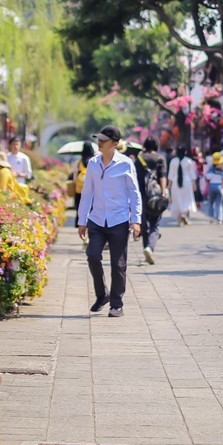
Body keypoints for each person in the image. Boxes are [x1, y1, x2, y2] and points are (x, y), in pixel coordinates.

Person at [77, 125, 142, 318]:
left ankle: (116, 304)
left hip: (119, 219)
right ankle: (102, 295)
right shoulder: (93, 163)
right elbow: (87, 192)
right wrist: (82, 220)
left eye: (104, 140)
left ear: (114, 144)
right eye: (99, 139)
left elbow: (134, 193)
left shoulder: (125, 164)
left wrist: (136, 220)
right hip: (97, 219)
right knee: (93, 255)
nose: (100, 142)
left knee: (118, 264)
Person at [135, 137, 168, 264]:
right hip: (155, 195)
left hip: (141, 195)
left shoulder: (139, 159)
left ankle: (146, 248)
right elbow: (163, 176)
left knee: (144, 225)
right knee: (155, 224)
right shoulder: (160, 159)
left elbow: (135, 177)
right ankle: (150, 247)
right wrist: (163, 192)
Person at [168, 146, 198, 226]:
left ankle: (179, 219)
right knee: (186, 200)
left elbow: (170, 175)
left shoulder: (173, 161)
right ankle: (184, 215)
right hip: (187, 183)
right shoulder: (189, 161)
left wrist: (169, 185)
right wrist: (194, 184)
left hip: (175, 183)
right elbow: (192, 174)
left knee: (177, 200)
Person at [205, 153, 223, 224]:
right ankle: (219, 218)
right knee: (219, 203)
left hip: (212, 186)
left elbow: (207, 177)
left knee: (211, 202)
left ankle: (211, 218)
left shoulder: (211, 169)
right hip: (220, 186)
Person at [73, 141, 95, 211]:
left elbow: (75, 177)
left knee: (80, 210)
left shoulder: (79, 162)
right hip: (91, 190)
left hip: (79, 190)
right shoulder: (94, 161)